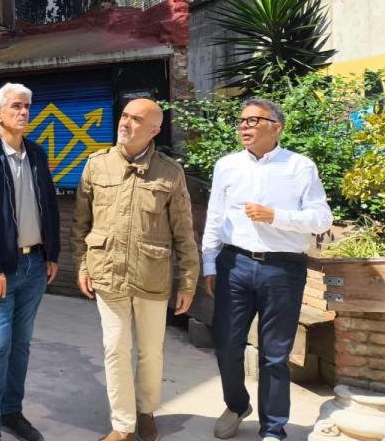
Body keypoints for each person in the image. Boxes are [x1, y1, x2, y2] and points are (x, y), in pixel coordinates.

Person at [202, 98, 332, 441]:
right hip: (234, 264)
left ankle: (273, 428)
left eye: (254, 120)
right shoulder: (227, 165)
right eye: (241, 120)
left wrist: (276, 216)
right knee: (227, 345)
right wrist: (208, 263)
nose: (244, 126)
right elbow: (215, 216)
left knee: (274, 355)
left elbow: (322, 219)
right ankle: (236, 403)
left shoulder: (299, 166)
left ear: (276, 126)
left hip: (283, 269)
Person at [73, 98, 199, 441]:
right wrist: (82, 263)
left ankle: (146, 410)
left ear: (154, 129)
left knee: (150, 351)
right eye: (125, 116)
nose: (126, 123)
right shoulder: (96, 165)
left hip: (152, 274)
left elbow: (184, 233)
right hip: (107, 271)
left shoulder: (169, 172)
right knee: (115, 348)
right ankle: (123, 425)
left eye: (136, 119)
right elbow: (81, 223)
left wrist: (187, 282)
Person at [0, 82, 61, 441]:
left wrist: (52, 254)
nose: (23, 112)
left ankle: (12, 413)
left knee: (21, 344)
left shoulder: (36, 154)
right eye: (16, 107)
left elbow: (49, 206)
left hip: (35, 266)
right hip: (2, 270)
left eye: (26, 107)